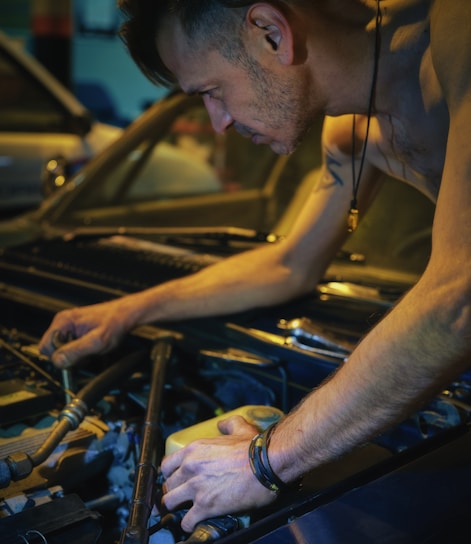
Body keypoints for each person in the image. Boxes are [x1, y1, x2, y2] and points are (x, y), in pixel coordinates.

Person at [39, 0, 471, 533]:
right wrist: (129, 310)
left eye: (211, 92)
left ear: (271, 33)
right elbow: (289, 264)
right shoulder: (352, 136)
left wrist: (264, 461)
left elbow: (458, 296)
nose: (216, 124)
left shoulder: (457, 33)